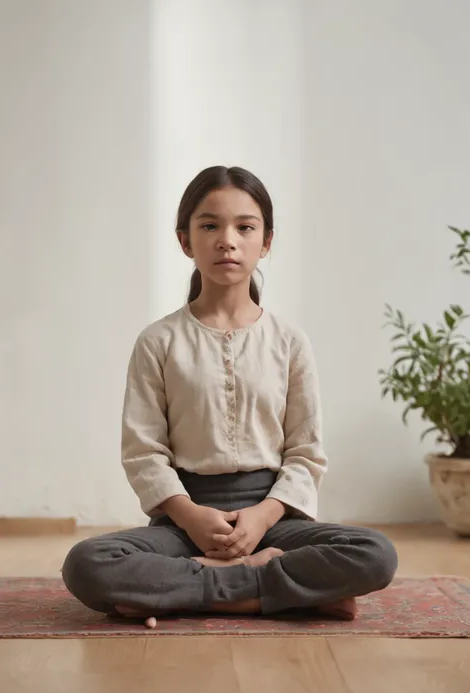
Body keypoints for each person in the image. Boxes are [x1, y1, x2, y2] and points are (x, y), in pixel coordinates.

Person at [62, 165, 398, 629]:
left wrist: (262, 517)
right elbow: (143, 452)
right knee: (87, 563)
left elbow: (305, 454)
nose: (227, 239)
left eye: (245, 227)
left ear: (266, 242)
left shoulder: (289, 342)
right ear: (185, 241)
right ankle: (269, 592)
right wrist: (192, 517)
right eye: (209, 226)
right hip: (186, 520)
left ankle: (190, 592)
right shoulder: (158, 341)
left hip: (272, 518)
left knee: (375, 554)